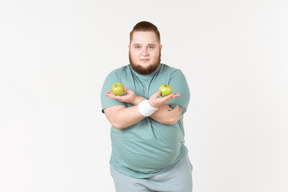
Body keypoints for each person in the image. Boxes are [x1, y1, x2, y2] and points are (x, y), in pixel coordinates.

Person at [101, 21, 192, 192]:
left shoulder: (174, 76)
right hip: (128, 175)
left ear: (160, 48)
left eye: (150, 47)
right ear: (129, 48)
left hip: (174, 172)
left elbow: (170, 116)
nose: (144, 53)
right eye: (138, 47)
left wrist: (136, 99)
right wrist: (151, 105)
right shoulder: (115, 78)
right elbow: (118, 120)